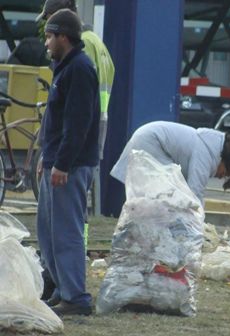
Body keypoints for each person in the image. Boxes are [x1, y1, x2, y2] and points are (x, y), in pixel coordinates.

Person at [37, 9, 100, 316]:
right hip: (55, 162)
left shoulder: (80, 69)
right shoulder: (63, 68)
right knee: (49, 232)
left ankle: (75, 297)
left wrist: (61, 163)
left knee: (66, 231)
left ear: (64, 36)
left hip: (70, 167)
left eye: (50, 36)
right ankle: (62, 290)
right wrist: (44, 157)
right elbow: (54, 118)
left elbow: (78, 123)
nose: (46, 42)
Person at [36, 0, 115, 157]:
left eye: (49, 18)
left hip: (77, 131)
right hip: (95, 122)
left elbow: (77, 92)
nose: (48, 23)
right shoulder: (95, 40)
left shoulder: (81, 44)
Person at [110, 121, 230, 205]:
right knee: (166, 193)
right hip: (152, 141)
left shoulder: (208, 147)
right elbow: (194, 193)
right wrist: (199, 227)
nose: (220, 177)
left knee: (161, 195)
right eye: (225, 174)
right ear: (226, 163)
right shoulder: (206, 153)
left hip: (149, 137)